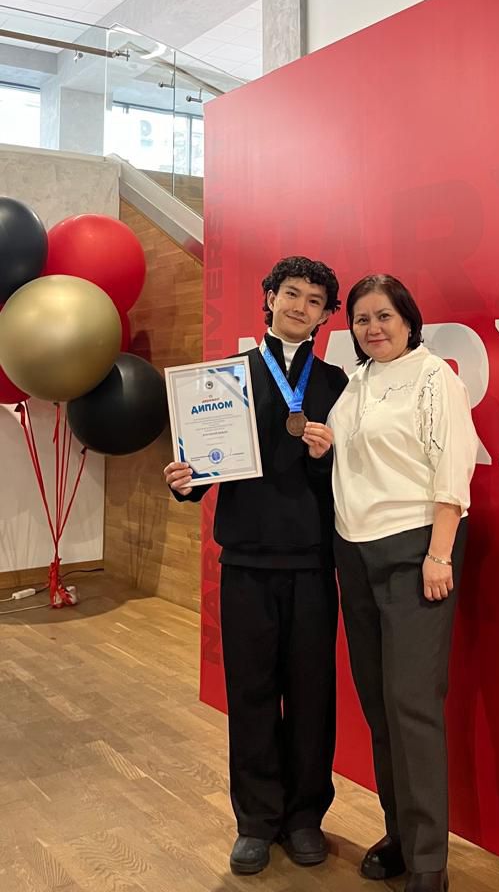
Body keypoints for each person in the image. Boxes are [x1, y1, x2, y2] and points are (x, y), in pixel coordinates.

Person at [164, 256, 347, 877]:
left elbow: (352, 478)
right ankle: (256, 821)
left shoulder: (336, 384)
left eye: (315, 301)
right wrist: (185, 481)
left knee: (312, 693)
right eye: (290, 293)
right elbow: (202, 470)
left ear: (325, 316)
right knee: (250, 692)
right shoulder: (223, 379)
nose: (300, 307)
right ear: (269, 297)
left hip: (313, 562)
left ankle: (305, 817)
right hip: (244, 560)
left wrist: (327, 457)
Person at [311, 274, 478, 892]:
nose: (373, 328)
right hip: (353, 552)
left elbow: (453, 471)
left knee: (413, 706)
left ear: (408, 318)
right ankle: (400, 835)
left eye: (384, 315)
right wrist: (326, 445)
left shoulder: (436, 379)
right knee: (379, 704)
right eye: (361, 319)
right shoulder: (356, 383)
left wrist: (440, 554)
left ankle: (430, 860)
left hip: (416, 552)